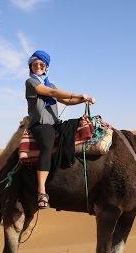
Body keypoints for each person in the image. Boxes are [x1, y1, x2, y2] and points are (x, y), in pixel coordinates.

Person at [25, 50, 96, 209]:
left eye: (41, 64)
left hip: (55, 123)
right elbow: (51, 93)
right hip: (41, 125)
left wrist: (84, 100)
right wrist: (79, 94)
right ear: (31, 66)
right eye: (35, 64)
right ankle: (42, 190)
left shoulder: (51, 84)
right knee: (47, 146)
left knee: (75, 129)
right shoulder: (31, 83)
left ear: (46, 67)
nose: (38, 66)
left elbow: (66, 101)